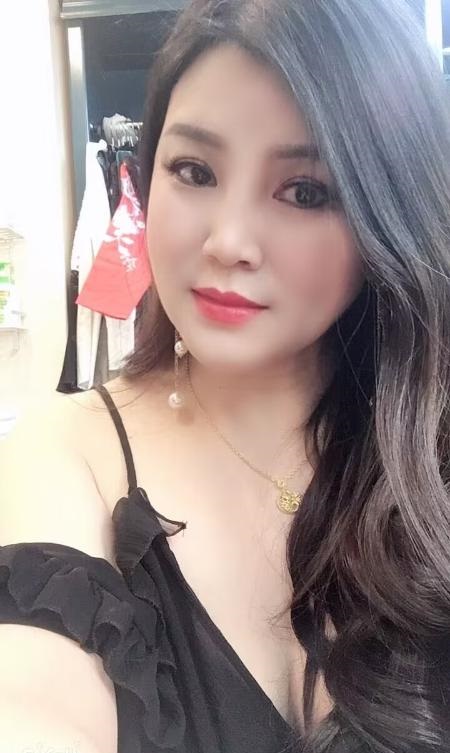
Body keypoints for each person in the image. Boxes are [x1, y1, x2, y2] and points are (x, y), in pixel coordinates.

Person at [1, 0, 449, 751]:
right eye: (195, 171)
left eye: (306, 191)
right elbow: (30, 701)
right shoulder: (64, 458)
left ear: (390, 215)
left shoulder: (427, 455)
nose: (229, 240)